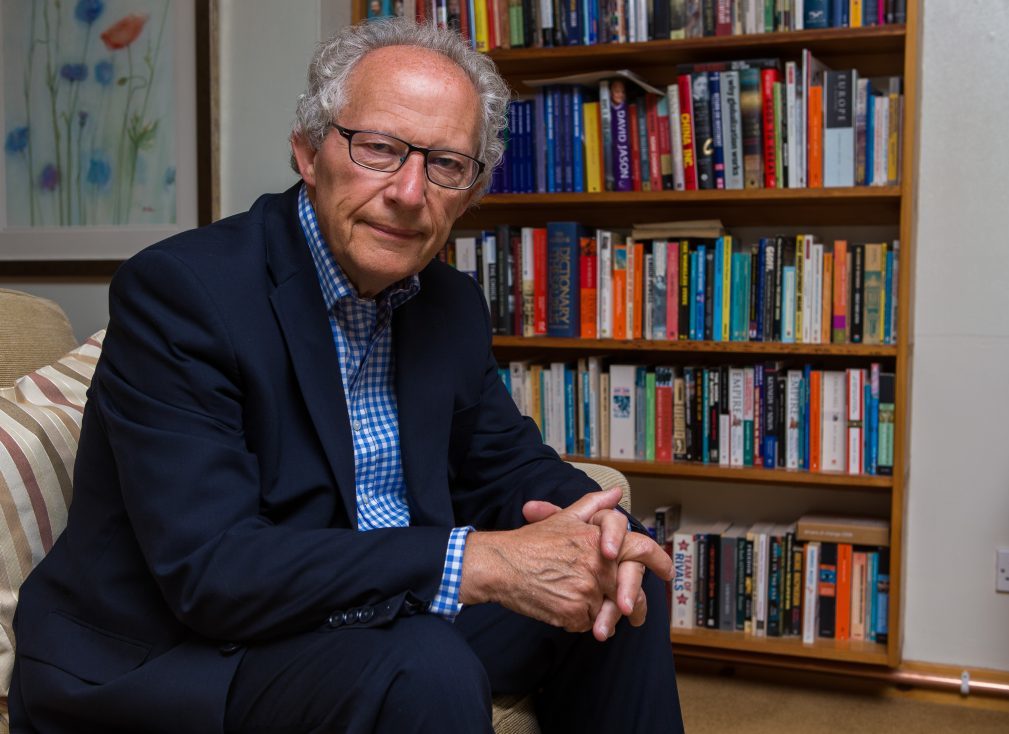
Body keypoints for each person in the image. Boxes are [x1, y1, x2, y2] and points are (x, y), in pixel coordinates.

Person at [10, 18, 684, 734]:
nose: (409, 190)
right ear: (307, 150)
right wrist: (475, 562)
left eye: (447, 164)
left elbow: (507, 463)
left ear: (472, 188)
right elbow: (214, 571)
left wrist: (604, 534)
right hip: (189, 652)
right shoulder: (182, 295)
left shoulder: (448, 304)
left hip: (373, 610)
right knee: (422, 665)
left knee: (622, 588)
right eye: (380, 149)